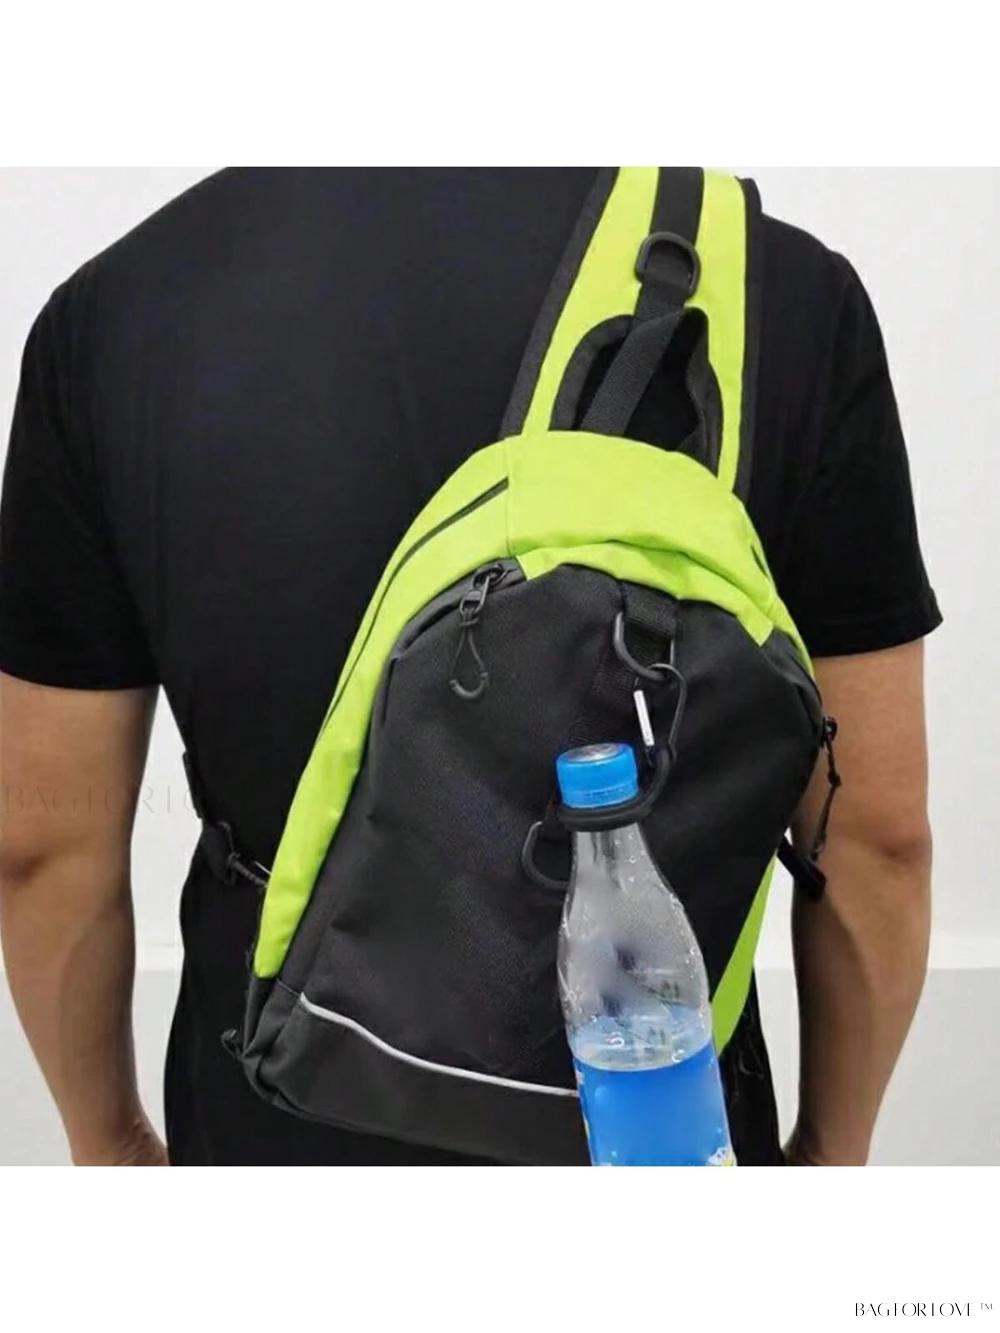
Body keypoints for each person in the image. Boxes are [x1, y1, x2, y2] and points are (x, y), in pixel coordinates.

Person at [0, 168, 939, 1166]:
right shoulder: (767, 286)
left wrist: (110, 1145)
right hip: (645, 1108)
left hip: (282, 1099)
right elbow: (876, 840)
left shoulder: (116, 311)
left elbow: (43, 848)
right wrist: (828, 1158)